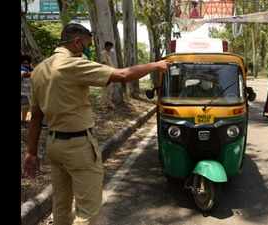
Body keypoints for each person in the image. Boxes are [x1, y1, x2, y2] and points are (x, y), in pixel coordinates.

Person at [22, 23, 169, 225]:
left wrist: (30, 152)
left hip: (54, 145)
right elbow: (123, 75)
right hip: (78, 146)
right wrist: (156, 65)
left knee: (61, 205)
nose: (87, 49)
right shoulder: (72, 64)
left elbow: (36, 116)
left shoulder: (39, 70)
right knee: (88, 211)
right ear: (77, 42)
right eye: (87, 45)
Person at [99, 42, 116, 109]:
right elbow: (104, 63)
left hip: (111, 73)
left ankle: (109, 103)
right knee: (105, 90)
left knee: (110, 90)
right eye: (110, 47)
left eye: (111, 47)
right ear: (107, 46)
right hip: (106, 74)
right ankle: (102, 105)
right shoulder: (103, 53)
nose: (111, 48)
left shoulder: (108, 54)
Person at [21, 54, 33, 127]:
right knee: (24, 106)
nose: (26, 64)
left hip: (26, 92)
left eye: (27, 63)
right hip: (22, 92)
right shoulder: (22, 70)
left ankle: (23, 121)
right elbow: (25, 75)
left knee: (25, 107)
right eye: (24, 63)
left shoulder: (29, 69)